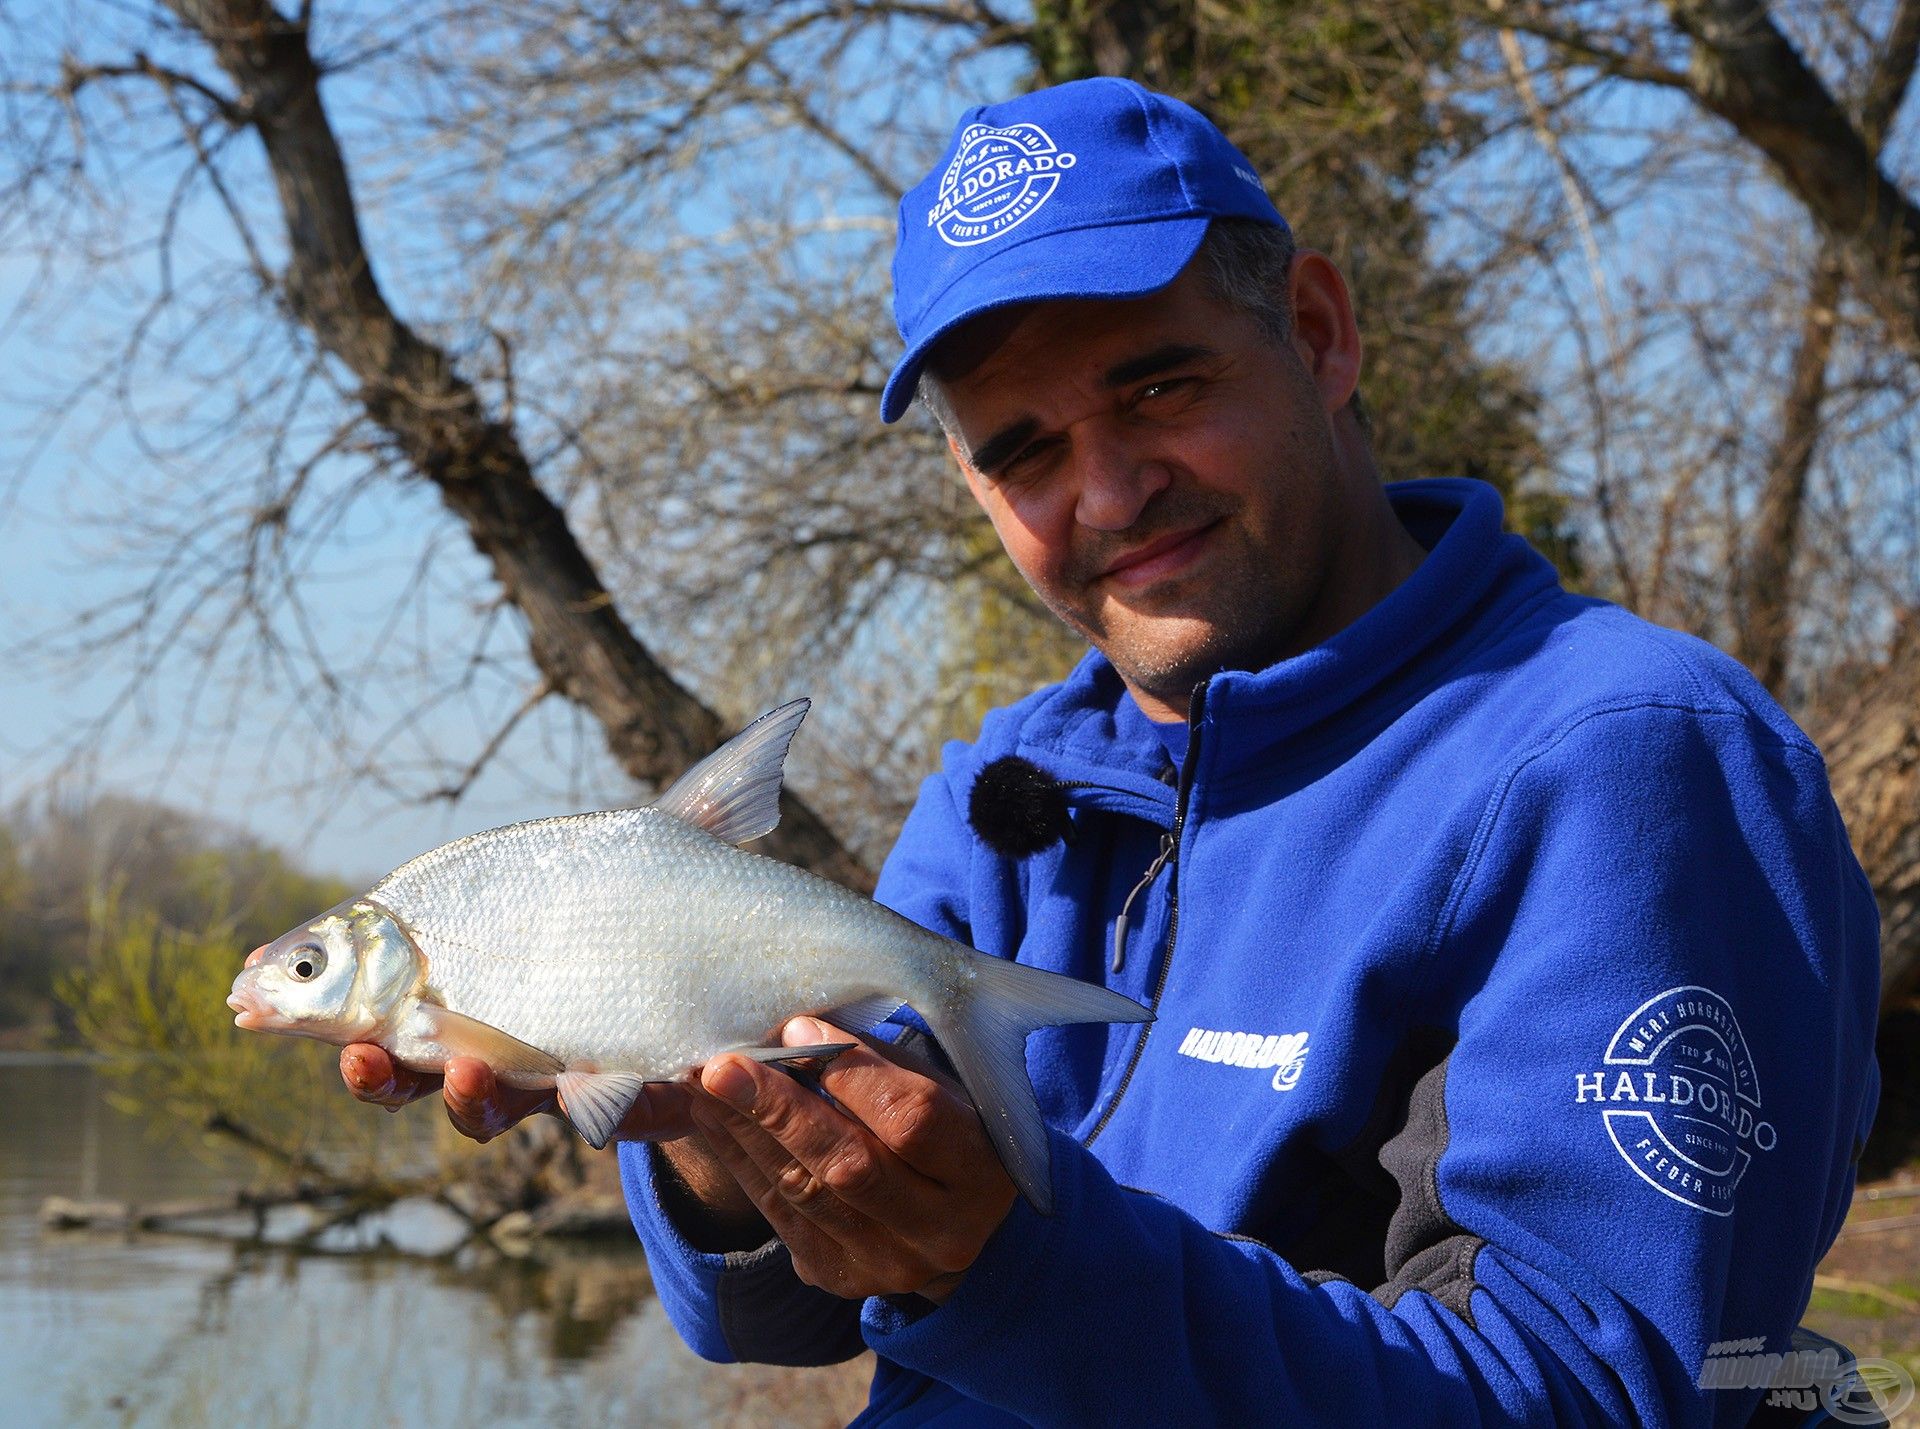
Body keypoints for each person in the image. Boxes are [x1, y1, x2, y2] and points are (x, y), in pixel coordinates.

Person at [341, 78, 1882, 1425]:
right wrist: (695, 1120)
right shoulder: (1008, 786)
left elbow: (1589, 1391)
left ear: (1323, 337)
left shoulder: (1622, 762)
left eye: (1160, 385)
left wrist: (1008, 1264)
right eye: (1023, 452)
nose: (1109, 490)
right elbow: (771, 1316)